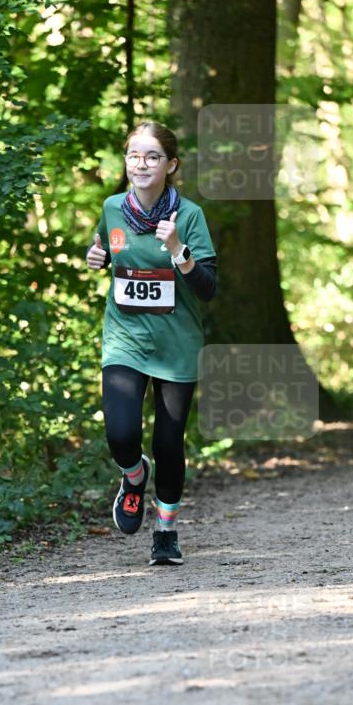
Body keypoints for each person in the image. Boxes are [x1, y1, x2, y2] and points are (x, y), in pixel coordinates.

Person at [86, 120, 217, 566]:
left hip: (176, 344)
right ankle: (133, 475)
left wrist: (179, 248)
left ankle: (165, 531)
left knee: (169, 443)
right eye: (133, 156)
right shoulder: (111, 208)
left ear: (171, 165)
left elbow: (208, 288)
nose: (140, 164)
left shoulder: (190, 216)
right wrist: (97, 256)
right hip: (124, 338)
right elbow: (110, 252)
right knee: (121, 434)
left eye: (152, 157)